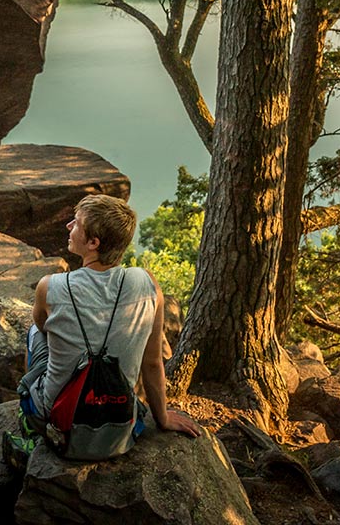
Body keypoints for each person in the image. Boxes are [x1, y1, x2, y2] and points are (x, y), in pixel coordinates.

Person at [12, 194, 201, 462]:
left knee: (36, 332)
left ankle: (36, 424)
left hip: (62, 423)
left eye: (76, 223)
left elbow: (41, 325)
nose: (68, 226)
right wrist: (163, 417)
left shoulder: (50, 285)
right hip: (119, 431)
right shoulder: (147, 283)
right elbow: (152, 363)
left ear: (93, 243)